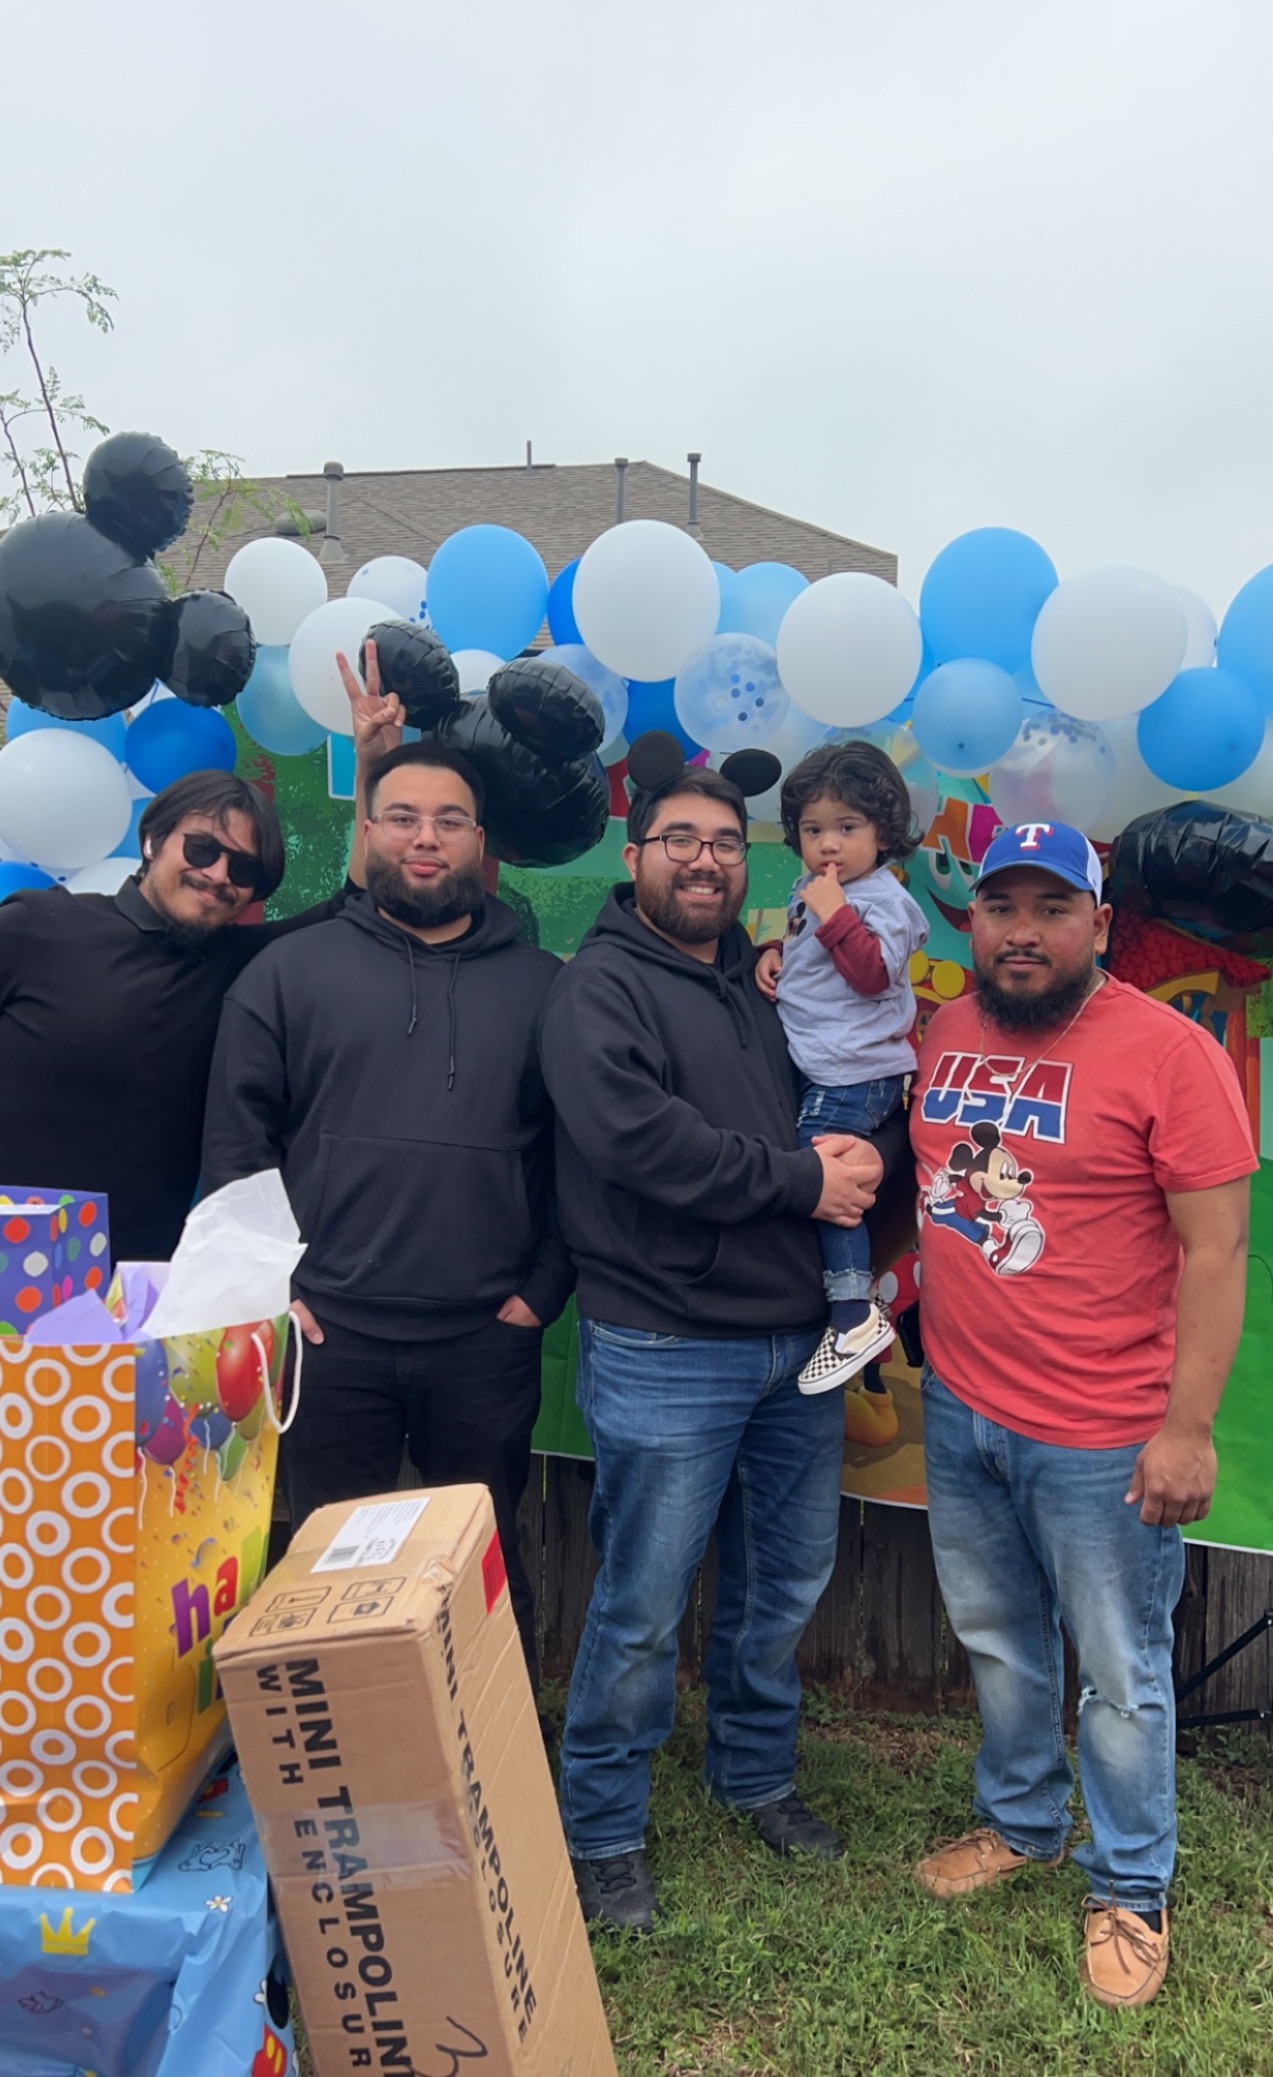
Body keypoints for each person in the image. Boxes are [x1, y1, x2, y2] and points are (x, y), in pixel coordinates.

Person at [539, 760, 898, 1933]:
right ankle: (601, 1826)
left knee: (783, 1579)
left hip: (797, 1342)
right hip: (666, 1344)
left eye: (726, 843)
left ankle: (753, 1773)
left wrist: (868, 1156)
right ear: (633, 856)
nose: (705, 859)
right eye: (680, 839)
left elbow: (845, 1087)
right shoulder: (597, 988)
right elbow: (637, 1140)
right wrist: (801, 1181)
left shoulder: (765, 982)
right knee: (643, 1599)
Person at [908, 819, 1255, 2010]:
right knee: (999, 1636)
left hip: (1102, 1432)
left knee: (1119, 1669)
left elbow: (1217, 1251)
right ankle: (1021, 1822)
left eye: (1051, 908)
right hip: (962, 1406)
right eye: (1001, 907)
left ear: (1098, 924)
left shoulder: (1171, 1052)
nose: (1022, 931)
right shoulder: (947, 1030)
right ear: (971, 921)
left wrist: (1186, 1429)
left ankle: (1130, 1883)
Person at [201, 741, 572, 1693]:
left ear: (480, 842)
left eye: (448, 820)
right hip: (331, 1336)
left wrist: (543, 1288)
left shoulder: (544, 986)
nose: (425, 837)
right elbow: (238, 1145)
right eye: (402, 817)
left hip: (485, 1338)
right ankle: (342, 1758)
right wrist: (272, 1288)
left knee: (482, 1566)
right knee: (326, 1573)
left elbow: (574, 1155)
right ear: (368, 834)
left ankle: (501, 1748)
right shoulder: (287, 971)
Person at [0, 655, 395, 1262]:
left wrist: (372, 761)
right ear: (153, 839)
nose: (218, 876)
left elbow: (356, 902)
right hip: (14, 1267)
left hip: (141, 1286)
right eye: (204, 849)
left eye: (244, 869)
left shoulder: (244, 968)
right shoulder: (38, 926)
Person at [761, 740, 928, 1392]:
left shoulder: (884, 901)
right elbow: (809, 956)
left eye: (847, 827)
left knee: (826, 1175)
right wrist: (772, 952)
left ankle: (854, 1312)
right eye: (813, 830)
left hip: (854, 1069)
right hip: (822, 1059)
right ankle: (832, 1294)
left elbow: (869, 973)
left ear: (883, 832)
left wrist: (834, 915)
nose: (828, 843)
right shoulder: (815, 890)